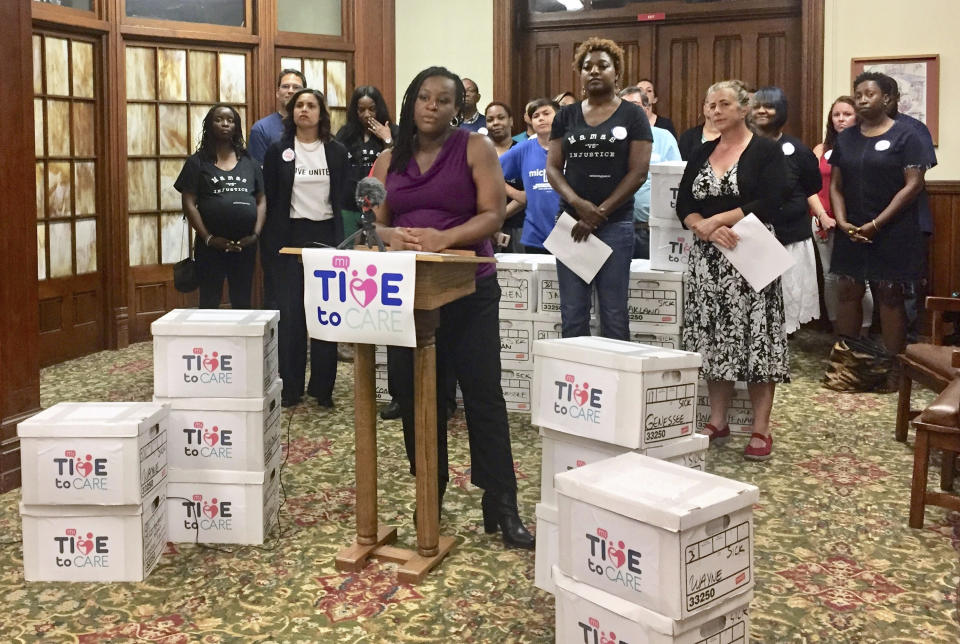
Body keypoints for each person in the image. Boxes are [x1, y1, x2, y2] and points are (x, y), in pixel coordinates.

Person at [370, 66, 534, 549]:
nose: (432, 106)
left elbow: (491, 214)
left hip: (468, 288)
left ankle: (501, 502)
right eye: (424, 97)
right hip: (409, 294)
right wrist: (391, 236)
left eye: (444, 100)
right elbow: (371, 224)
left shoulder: (475, 148)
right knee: (418, 399)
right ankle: (430, 494)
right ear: (410, 102)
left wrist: (444, 239)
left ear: (457, 108)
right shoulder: (387, 159)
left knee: (482, 395)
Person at [676, 80, 789, 461]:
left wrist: (720, 221)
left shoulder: (766, 151)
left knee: (757, 338)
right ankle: (718, 420)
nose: (715, 111)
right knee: (714, 338)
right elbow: (685, 202)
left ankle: (760, 428)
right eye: (710, 106)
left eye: (724, 104)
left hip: (751, 251)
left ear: (743, 109)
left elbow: (772, 199)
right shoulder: (701, 150)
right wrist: (699, 224)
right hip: (708, 260)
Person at [546, 37, 652, 340]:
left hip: (614, 224)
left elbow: (638, 173)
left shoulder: (632, 115)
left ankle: (617, 386)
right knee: (573, 313)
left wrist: (599, 213)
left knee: (614, 313)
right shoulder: (566, 116)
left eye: (602, 65)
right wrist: (579, 204)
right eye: (586, 66)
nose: (594, 71)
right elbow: (553, 168)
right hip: (571, 223)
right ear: (579, 73)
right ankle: (574, 382)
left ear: (616, 72)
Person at [828, 71, 928, 390]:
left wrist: (876, 224)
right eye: (857, 94)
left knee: (889, 294)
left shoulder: (907, 135)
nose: (861, 99)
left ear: (886, 98)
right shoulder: (846, 138)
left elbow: (913, 185)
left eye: (869, 94)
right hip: (852, 229)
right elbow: (836, 185)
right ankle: (847, 364)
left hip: (893, 230)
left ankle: (893, 368)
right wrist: (843, 222)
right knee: (848, 291)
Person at [262, 88, 349, 409]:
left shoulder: (336, 151)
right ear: (291, 111)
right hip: (289, 237)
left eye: (311, 105)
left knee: (325, 314)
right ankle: (291, 387)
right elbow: (270, 200)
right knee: (292, 316)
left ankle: (323, 388)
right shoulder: (278, 150)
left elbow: (345, 198)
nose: (304, 110)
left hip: (326, 235)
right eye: (299, 105)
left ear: (321, 113)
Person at [175, 104, 265, 310]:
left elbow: (261, 200)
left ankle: (240, 342)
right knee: (209, 300)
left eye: (230, 120)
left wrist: (256, 235)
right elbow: (188, 202)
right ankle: (209, 343)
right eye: (219, 119)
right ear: (209, 124)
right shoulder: (196, 162)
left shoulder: (250, 162)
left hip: (245, 245)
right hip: (210, 247)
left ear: (236, 126)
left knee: (242, 300)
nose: (225, 123)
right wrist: (208, 238)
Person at [751, 86, 820, 334]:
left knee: (787, 297)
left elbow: (812, 186)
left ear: (781, 111)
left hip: (790, 235)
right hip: (752, 236)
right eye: (757, 105)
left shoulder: (798, 150)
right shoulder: (742, 146)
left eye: (768, 106)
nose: (761, 111)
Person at [812, 96, 873, 335]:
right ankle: (839, 333)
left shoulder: (864, 144)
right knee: (830, 278)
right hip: (823, 220)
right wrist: (820, 216)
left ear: (857, 116)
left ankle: (864, 333)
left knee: (861, 279)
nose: (841, 119)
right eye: (836, 115)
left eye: (847, 114)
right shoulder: (821, 149)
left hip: (856, 220)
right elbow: (811, 186)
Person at [248, 68, 306, 310]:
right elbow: (261, 179)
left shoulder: (311, 127)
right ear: (276, 92)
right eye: (285, 86)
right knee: (275, 279)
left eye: (296, 87)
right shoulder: (262, 129)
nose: (290, 91)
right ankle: (277, 341)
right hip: (275, 216)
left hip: (307, 215)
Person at [886, 81, 938, 341]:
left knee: (907, 285)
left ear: (897, 97)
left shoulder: (914, 129)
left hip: (910, 219)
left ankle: (906, 344)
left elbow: (916, 178)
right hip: (870, 219)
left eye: (886, 96)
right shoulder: (861, 131)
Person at [619, 85, 681, 259]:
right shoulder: (611, 140)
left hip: (652, 228)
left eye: (635, 105)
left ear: (647, 109)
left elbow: (675, 181)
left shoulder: (664, 137)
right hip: (618, 227)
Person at [335, 86, 398, 243]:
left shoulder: (394, 131)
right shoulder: (345, 134)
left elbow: (398, 164)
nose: (366, 114)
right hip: (349, 204)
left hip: (379, 207)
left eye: (372, 109)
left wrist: (387, 140)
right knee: (349, 251)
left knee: (374, 251)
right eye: (361, 110)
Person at [500, 98, 560, 253]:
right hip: (536, 235)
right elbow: (490, 172)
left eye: (546, 113)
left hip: (570, 233)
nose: (541, 118)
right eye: (535, 116)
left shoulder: (572, 145)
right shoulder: (523, 149)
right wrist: (517, 194)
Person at [485, 101, 525, 252]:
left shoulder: (523, 150)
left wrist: (499, 217)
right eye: (490, 119)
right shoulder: (478, 152)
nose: (496, 123)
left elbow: (527, 194)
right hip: (483, 227)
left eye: (501, 118)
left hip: (517, 226)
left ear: (511, 121)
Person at [677, 89, 721, 161]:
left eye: (721, 105)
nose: (716, 109)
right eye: (712, 104)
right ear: (704, 108)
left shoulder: (734, 137)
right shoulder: (688, 136)